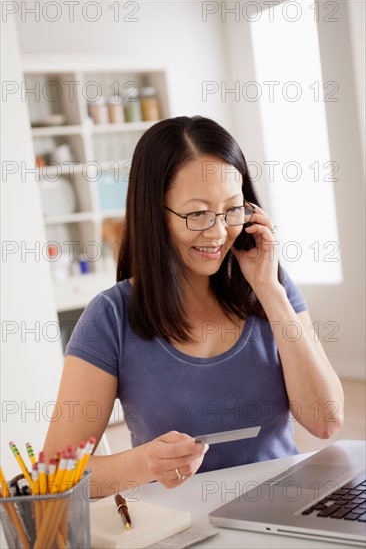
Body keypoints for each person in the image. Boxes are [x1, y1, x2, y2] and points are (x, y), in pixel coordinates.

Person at [44, 116, 344, 498]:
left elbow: (326, 422)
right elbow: (56, 474)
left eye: (232, 210)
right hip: (179, 525)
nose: (218, 232)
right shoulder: (111, 316)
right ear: (155, 214)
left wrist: (269, 289)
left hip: (283, 508)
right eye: (197, 213)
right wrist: (143, 463)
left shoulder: (271, 291)